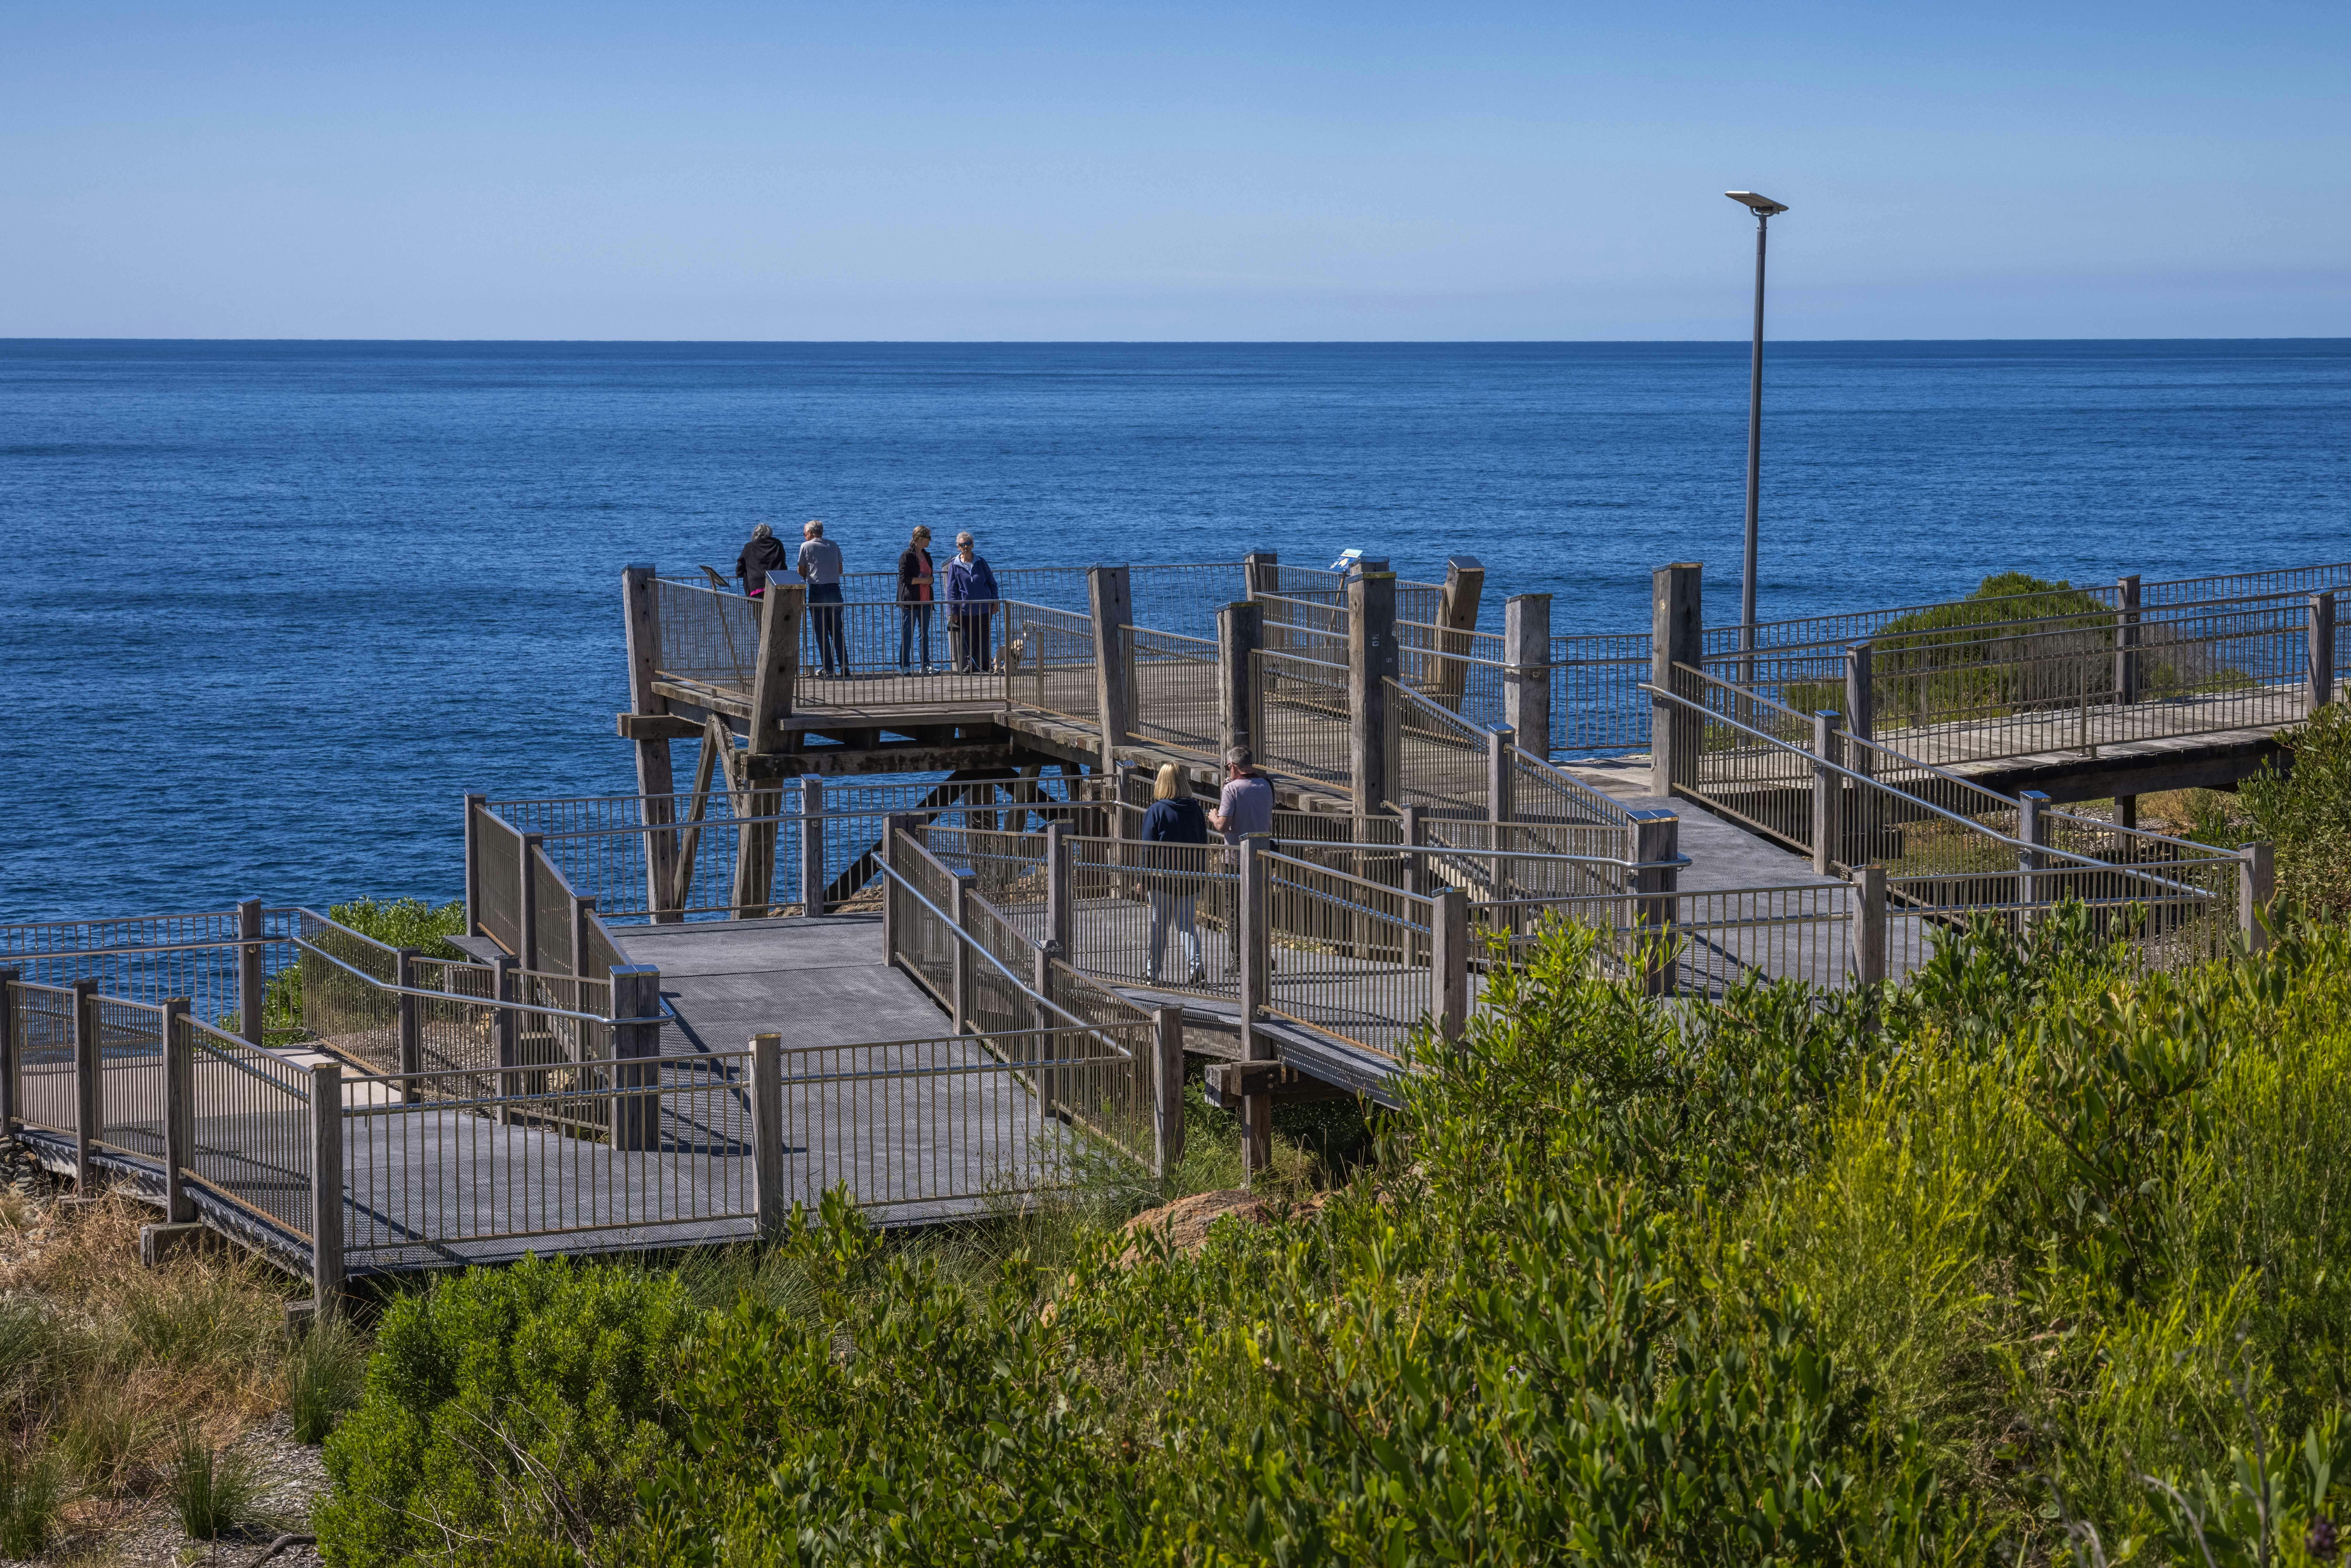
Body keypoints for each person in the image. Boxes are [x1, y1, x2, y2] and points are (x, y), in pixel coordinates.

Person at [1139, 763, 1210, 986]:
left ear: (1162, 782)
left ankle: (1152, 973)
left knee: (1159, 927)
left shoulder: (1157, 810)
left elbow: (1148, 849)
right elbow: (1203, 842)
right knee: (1187, 926)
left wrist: (1143, 878)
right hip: (1190, 878)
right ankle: (1196, 969)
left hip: (1162, 880)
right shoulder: (1196, 809)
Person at [1207, 746, 1276, 968]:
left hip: (1235, 859)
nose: (1228, 770)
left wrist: (1213, 816)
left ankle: (1241, 959)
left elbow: (1224, 826)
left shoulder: (1232, 789)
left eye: (1228, 767)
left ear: (1234, 766)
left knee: (1235, 912)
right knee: (1259, 909)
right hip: (1261, 858)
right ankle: (1264, 956)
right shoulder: (1266, 785)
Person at [797, 519, 848, 677]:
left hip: (818, 590)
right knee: (837, 631)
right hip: (835, 589)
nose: (804, 536)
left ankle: (829, 668)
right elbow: (840, 570)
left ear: (811, 533)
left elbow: (801, 571)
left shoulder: (806, 547)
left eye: (805, 533)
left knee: (821, 632)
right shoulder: (833, 545)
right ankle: (845, 665)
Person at [943, 531, 999, 673]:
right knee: (968, 641)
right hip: (965, 610)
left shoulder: (981, 563)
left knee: (984, 639)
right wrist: (952, 611)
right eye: (963, 545)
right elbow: (952, 591)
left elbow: (992, 584)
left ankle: (986, 666)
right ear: (959, 547)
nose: (966, 547)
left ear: (973, 545)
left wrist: (995, 602)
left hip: (984, 609)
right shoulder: (955, 566)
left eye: (968, 544)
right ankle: (970, 666)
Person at [895, 525, 936, 672]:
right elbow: (904, 579)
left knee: (924, 634)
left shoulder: (927, 555)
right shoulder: (906, 556)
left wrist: (930, 581)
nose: (930, 541)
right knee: (908, 634)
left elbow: (931, 576)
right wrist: (924, 581)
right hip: (911, 601)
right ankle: (905, 666)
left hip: (926, 600)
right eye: (928, 538)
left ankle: (925, 665)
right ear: (920, 539)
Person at [735, 523, 788, 598]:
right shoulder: (778, 544)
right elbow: (783, 563)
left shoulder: (749, 547)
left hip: (756, 586)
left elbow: (740, 569)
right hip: (775, 583)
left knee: (758, 609)